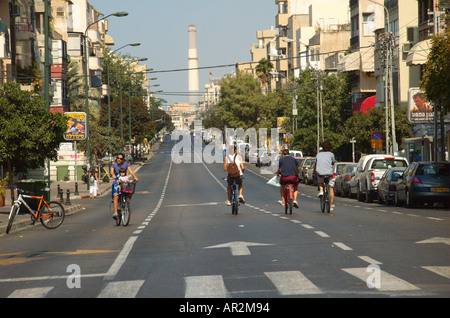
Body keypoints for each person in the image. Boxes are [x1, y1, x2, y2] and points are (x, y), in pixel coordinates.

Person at [111, 153, 139, 219]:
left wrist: (135, 177)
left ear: (123, 159)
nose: (119, 159)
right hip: (117, 182)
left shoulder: (126, 165)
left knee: (130, 191)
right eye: (118, 158)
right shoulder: (114, 165)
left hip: (125, 182)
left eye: (121, 158)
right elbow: (112, 172)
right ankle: (115, 213)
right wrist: (115, 178)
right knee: (116, 195)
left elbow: (131, 171)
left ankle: (127, 201)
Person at [314, 141, 336, 211]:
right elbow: (333, 163)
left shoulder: (318, 155)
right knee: (331, 188)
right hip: (329, 173)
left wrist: (315, 171)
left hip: (320, 173)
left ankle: (321, 190)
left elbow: (315, 164)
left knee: (320, 182)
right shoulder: (331, 154)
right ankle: (331, 204)